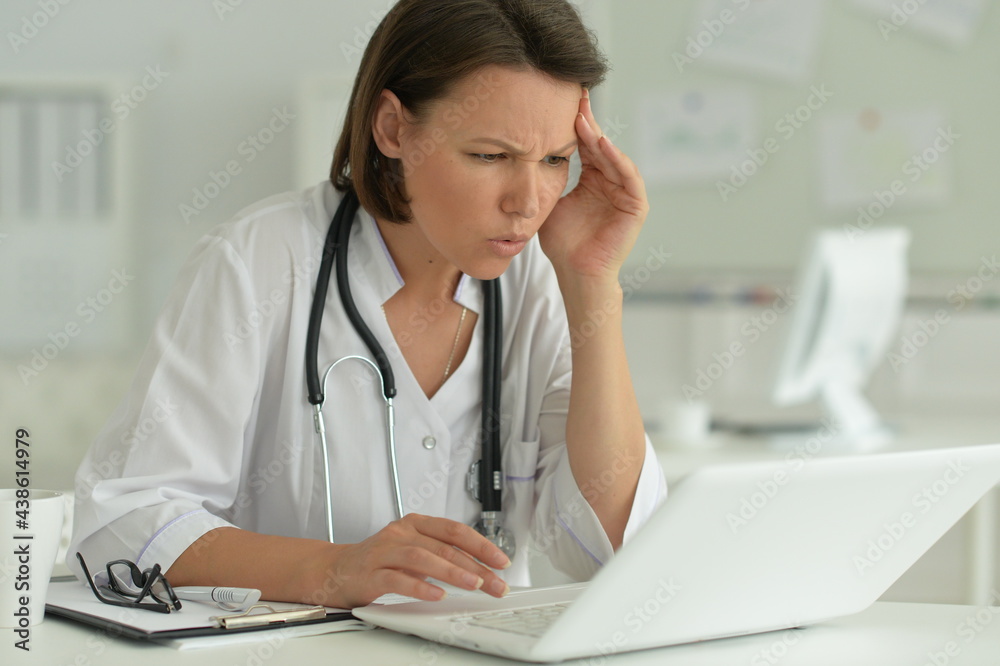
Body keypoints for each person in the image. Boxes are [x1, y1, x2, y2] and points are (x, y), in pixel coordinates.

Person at [69, 0, 666, 609]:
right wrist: (334, 569)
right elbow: (125, 528)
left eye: (555, 160)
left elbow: (612, 546)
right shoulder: (257, 263)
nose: (529, 202)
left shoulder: (543, 282)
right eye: (491, 156)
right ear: (392, 128)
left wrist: (594, 283)